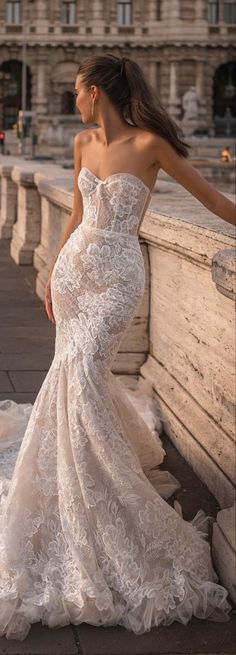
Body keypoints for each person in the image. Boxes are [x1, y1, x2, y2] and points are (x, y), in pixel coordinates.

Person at [0, 54, 235, 642]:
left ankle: (101, 491)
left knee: (80, 375)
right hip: (78, 273)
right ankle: (76, 477)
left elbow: (209, 199)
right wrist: (55, 271)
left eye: (78, 89)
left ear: (97, 91)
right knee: (71, 377)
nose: (74, 97)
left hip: (117, 280)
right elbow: (77, 217)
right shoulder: (82, 142)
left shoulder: (152, 144)